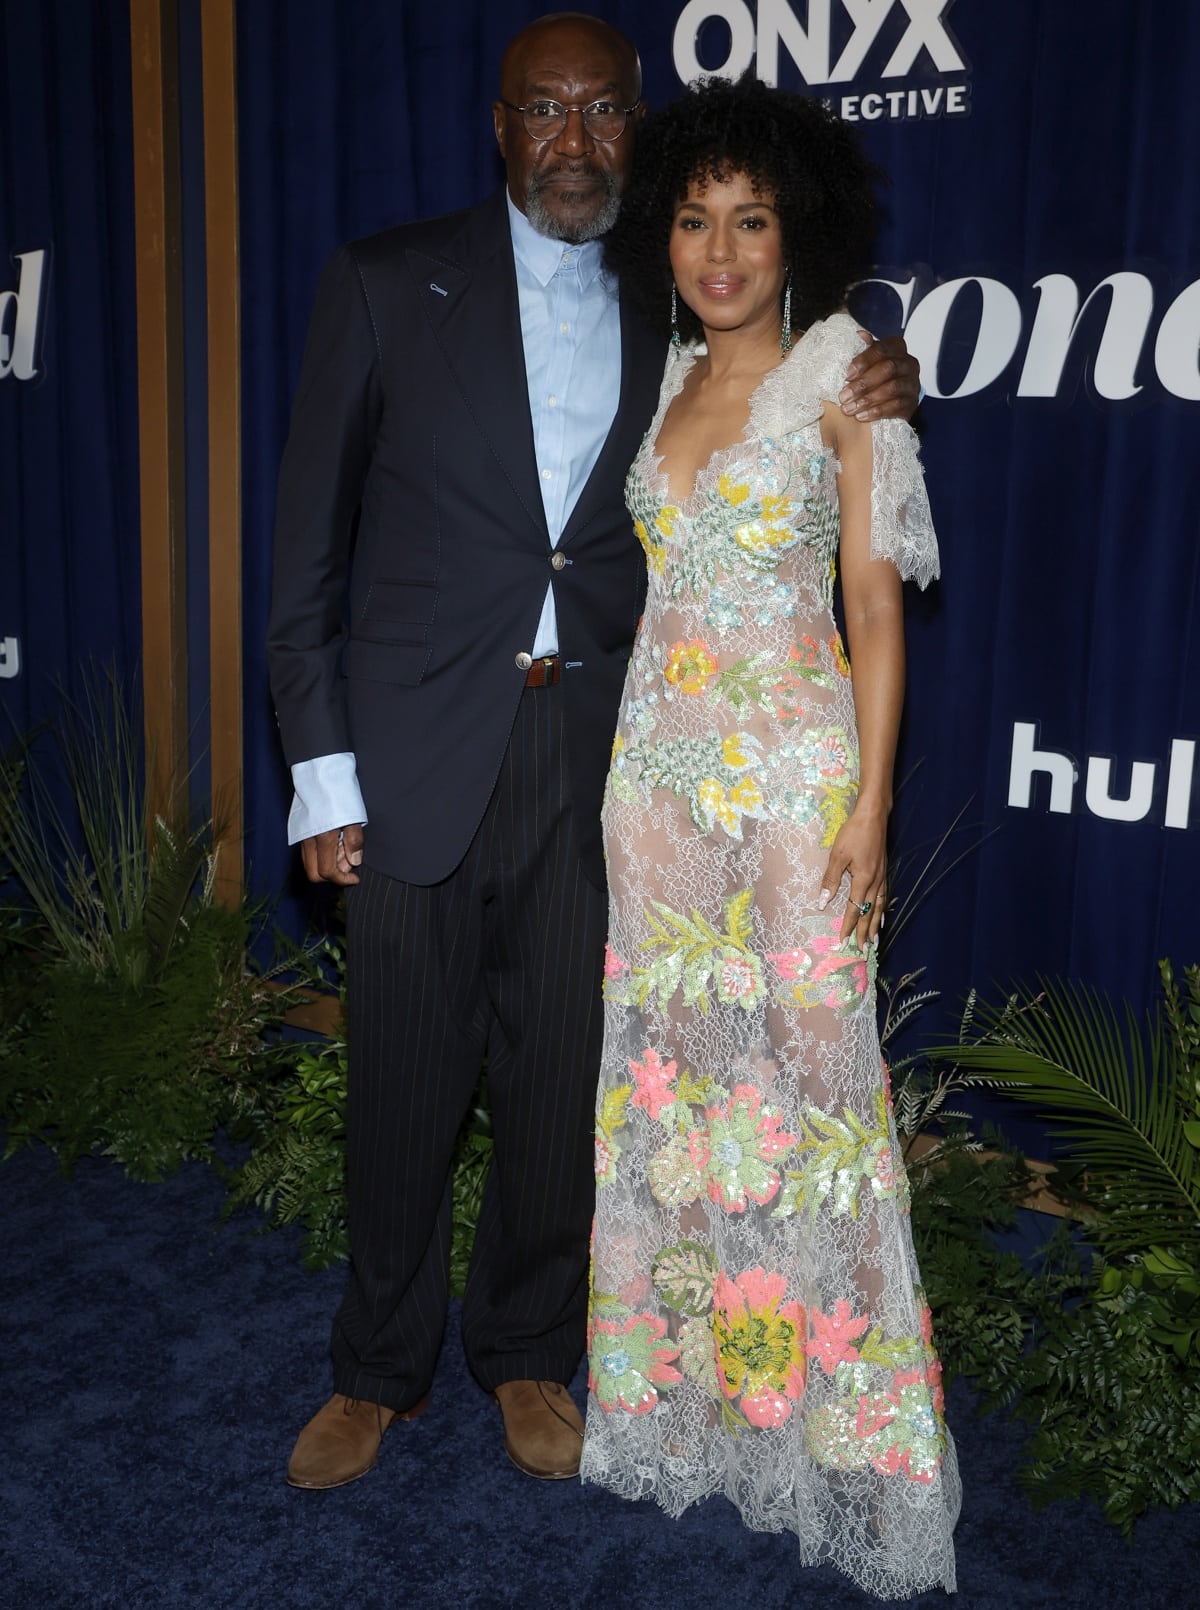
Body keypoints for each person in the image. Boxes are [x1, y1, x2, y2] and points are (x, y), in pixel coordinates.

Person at [267, 13, 921, 1493]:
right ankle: (374, 1368)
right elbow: (303, 555)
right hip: (423, 750)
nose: (574, 140)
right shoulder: (383, 281)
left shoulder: (674, 301)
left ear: (638, 126)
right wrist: (322, 775)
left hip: (613, 758)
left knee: (571, 1081)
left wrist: (892, 388)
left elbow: (804, 388)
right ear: (501, 127)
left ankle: (525, 1351)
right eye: (543, 112)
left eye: (603, 111)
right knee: (405, 1083)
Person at [580, 76, 959, 1598]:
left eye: (749, 219)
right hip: (653, 788)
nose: (719, 248)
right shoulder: (663, 374)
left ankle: (856, 1448)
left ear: (797, 228)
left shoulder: (844, 375)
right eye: (691, 217)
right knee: (674, 1095)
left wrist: (869, 805)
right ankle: (704, 1405)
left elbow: (875, 610)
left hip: (797, 785)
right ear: (661, 234)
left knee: (819, 1102)